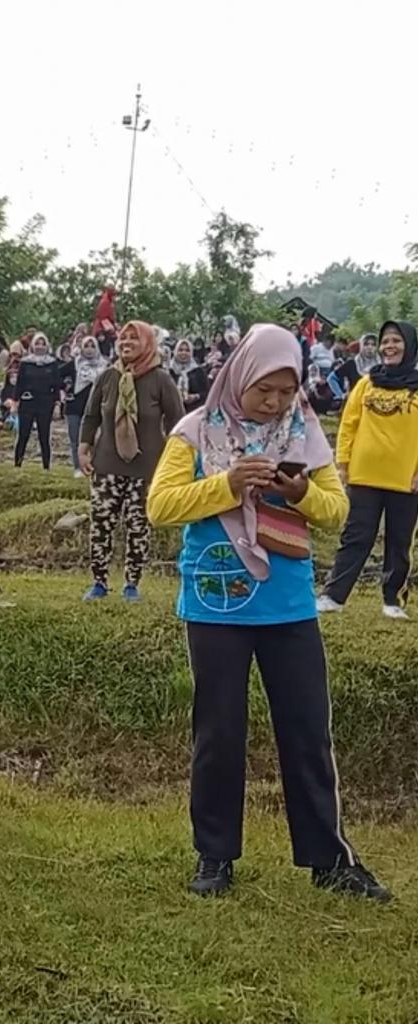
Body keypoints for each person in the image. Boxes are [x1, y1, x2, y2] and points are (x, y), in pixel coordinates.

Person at [147, 323, 390, 902]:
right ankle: (214, 855)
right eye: (264, 390)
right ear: (240, 376)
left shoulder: (303, 432)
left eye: (286, 390)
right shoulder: (195, 430)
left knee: (308, 731)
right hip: (216, 604)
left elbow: (336, 511)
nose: (275, 402)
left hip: (288, 606)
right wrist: (227, 484)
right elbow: (161, 505)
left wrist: (301, 494)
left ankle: (329, 859)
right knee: (219, 732)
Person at [317, 321, 418, 620]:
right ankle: (333, 596)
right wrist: (343, 464)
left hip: (405, 480)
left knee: (399, 542)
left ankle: (392, 600)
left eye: (396, 341)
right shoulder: (366, 383)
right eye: (386, 341)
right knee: (355, 536)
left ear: (410, 346)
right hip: (364, 476)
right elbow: (348, 425)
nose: (389, 346)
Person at [78, 321, 184, 601]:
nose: (126, 344)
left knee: (138, 526)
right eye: (122, 339)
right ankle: (99, 582)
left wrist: (176, 460)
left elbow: (177, 422)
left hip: (146, 468)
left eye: (133, 339)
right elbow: (91, 415)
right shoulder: (107, 377)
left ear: (148, 343)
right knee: (101, 523)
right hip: (106, 464)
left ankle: (131, 584)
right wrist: (84, 448)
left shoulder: (161, 379)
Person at [6, 333, 63, 470]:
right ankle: (17, 464)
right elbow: (19, 384)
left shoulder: (52, 363)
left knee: (44, 436)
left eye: (43, 344)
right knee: (23, 435)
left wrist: (57, 404)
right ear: (32, 345)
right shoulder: (26, 363)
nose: (40, 346)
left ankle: (46, 467)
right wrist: (14, 402)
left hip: (46, 403)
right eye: (37, 343)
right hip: (28, 402)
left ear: (47, 346)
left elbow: (56, 386)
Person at [61, 336, 108, 478]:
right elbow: (55, 375)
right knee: (75, 439)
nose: (89, 350)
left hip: (96, 408)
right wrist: (65, 387)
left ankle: (95, 467)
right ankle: (78, 468)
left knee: (96, 439)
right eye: (86, 346)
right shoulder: (74, 364)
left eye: (92, 346)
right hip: (74, 406)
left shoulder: (105, 366)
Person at [168, 339, 210, 413]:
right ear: (175, 351)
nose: (184, 353)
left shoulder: (198, 371)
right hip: (172, 412)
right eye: (180, 350)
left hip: (193, 412)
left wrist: (196, 396)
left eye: (187, 350)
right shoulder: (169, 371)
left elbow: (207, 392)